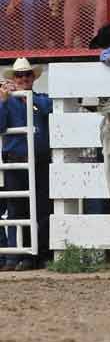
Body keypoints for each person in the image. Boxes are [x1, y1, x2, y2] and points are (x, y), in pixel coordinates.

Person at [0, 58, 53, 271]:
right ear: (14, 78)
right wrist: (4, 100)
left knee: (41, 209)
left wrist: (23, 99)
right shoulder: (6, 100)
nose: (23, 79)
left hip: (39, 161)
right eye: (19, 75)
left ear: (33, 78)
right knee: (16, 209)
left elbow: (50, 109)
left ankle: (38, 254)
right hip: (16, 161)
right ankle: (17, 255)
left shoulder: (41, 99)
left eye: (27, 75)